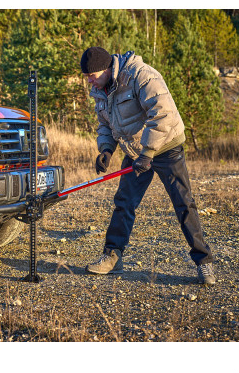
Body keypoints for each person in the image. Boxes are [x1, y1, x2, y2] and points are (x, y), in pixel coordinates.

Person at [80, 46, 216, 285]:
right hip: (135, 150)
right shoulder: (101, 89)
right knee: (124, 202)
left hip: (166, 146)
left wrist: (149, 152)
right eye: (87, 76)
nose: (89, 81)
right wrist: (106, 149)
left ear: (107, 68)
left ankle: (204, 263)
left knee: (183, 202)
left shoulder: (141, 75)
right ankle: (113, 256)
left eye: (92, 75)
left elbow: (163, 113)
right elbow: (105, 124)